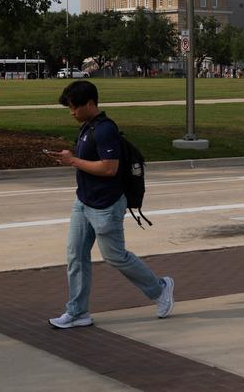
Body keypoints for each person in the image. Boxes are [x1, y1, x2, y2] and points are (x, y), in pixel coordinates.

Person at [46, 80, 174, 329]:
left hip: (105, 205)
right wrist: (70, 158)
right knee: (76, 256)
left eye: (74, 107)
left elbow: (109, 168)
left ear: (90, 103)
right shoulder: (87, 127)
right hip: (83, 202)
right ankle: (77, 312)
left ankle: (160, 289)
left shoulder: (105, 130)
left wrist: (72, 161)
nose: (71, 112)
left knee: (115, 256)